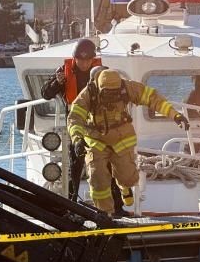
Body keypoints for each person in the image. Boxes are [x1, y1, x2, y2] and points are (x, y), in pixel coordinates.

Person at [68, 69, 189, 215]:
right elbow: (75, 117)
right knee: (97, 179)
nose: (112, 97)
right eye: (108, 93)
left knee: (128, 178)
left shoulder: (128, 88)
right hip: (96, 140)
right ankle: (105, 215)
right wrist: (77, 139)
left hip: (121, 138)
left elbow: (153, 98)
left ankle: (124, 187)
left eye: (115, 93)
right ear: (100, 87)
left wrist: (175, 115)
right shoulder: (88, 93)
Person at [40, 39, 122, 212]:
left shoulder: (102, 73)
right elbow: (46, 94)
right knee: (75, 165)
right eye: (80, 59)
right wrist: (57, 82)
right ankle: (72, 206)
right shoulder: (63, 73)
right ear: (74, 58)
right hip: (77, 124)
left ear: (93, 59)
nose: (84, 63)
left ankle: (117, 207)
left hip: (99, 124)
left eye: (87, 59)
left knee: (108, 164)